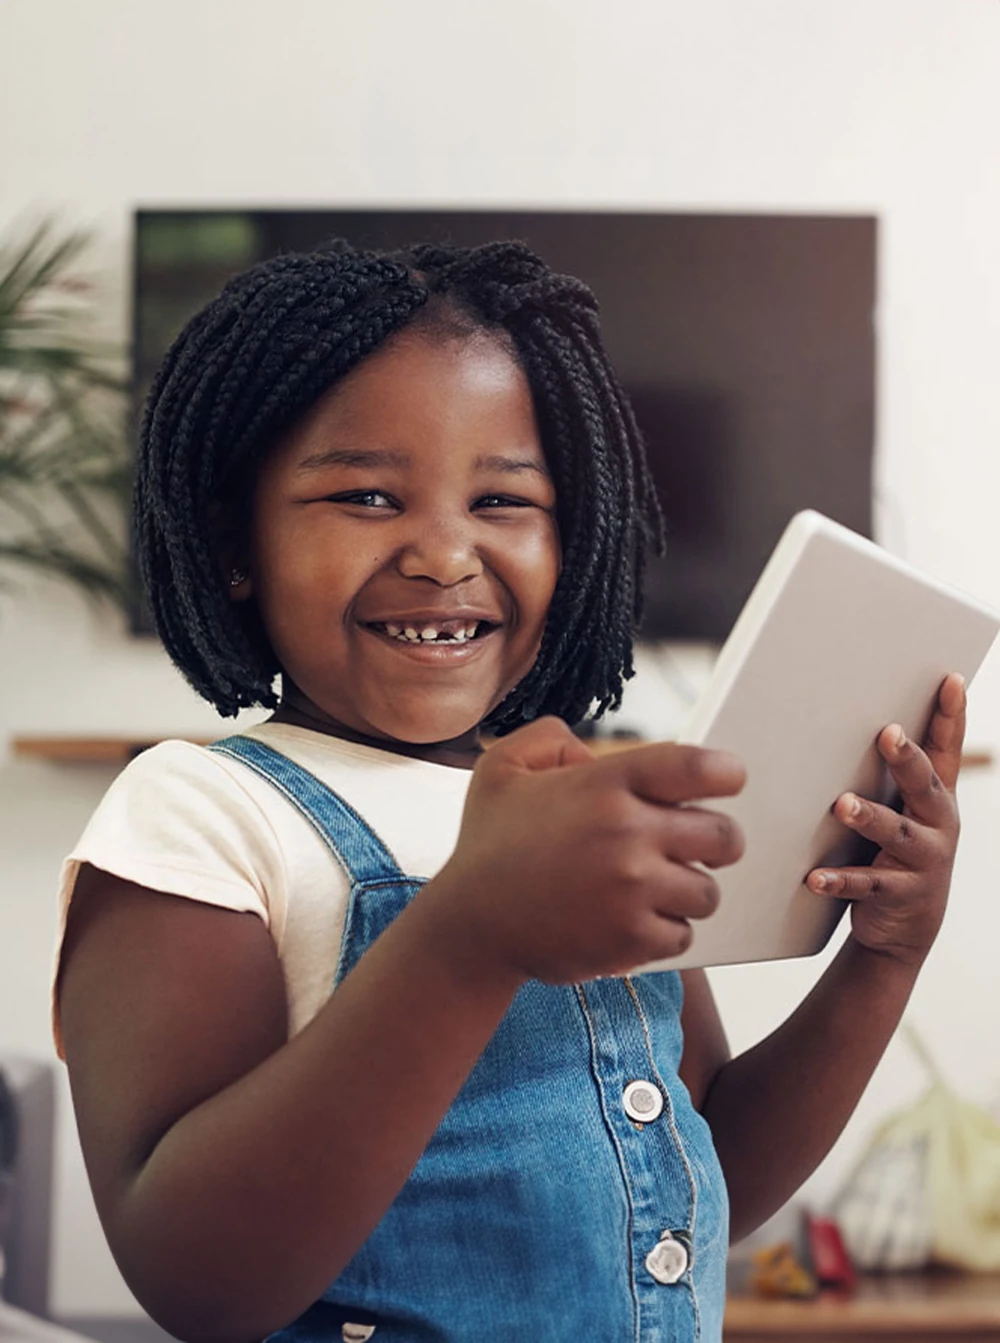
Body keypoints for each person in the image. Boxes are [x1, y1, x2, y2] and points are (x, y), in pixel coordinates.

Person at [54, 240, 965, 1343]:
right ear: (233, 541)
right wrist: (467, 934)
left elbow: (698, 1172)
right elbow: (197, 1280)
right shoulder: (201, 813)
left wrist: (881, 960)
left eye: (502, 499)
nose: (445, 553)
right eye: (365, 495)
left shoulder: (585, 805)